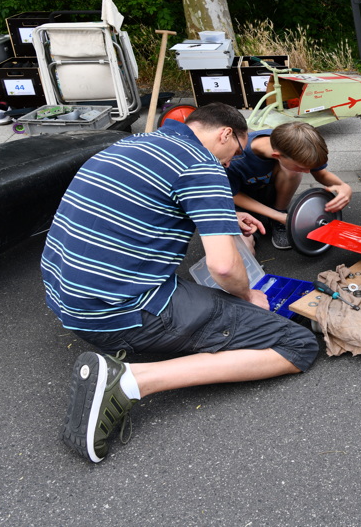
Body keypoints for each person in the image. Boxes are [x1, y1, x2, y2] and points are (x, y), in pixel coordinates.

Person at [41, 103, 319, 463]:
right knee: (297, 344)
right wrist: (249, 294)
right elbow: (222, 266)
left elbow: (153, 197)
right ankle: (129, 380)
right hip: (120, 312)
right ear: (224, 134)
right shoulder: (202, 166)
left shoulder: (130, 145)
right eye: (233, 153)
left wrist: (225, 212)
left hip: (68, 299)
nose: (230, 164)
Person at [225, 121, 352, 249]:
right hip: (238, 199)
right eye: (303, 167)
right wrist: (280, 217)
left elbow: (321, 174)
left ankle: (279, 212)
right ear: (276, 156)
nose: (308, 172)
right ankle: (278, 217)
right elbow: (233, 195)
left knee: (293, 171)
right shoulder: (235, 158)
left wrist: (343, 186)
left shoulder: (294, 145)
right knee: (242, 245)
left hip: (263, 189)